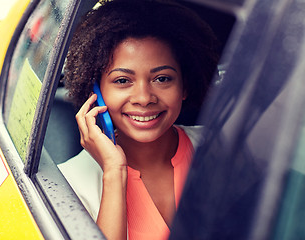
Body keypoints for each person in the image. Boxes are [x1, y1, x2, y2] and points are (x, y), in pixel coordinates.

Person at [58, 0, 219, 239]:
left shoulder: (216, 147)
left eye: (162, 79)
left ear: (185, 85)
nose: (144, 98)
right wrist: (113, 172)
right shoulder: (68, 185)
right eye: (123, 81)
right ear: (96, 92)